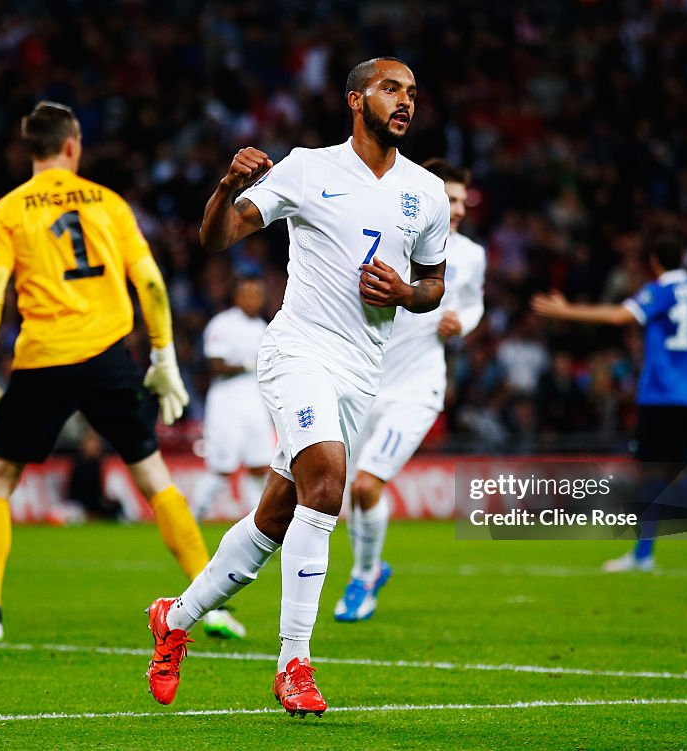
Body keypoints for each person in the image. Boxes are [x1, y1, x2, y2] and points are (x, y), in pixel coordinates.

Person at [143, 57, 449, 717]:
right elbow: (215, 237)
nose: (405, 102)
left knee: (274, 519)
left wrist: (406, 292)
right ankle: (295, 663)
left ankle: (175, 616)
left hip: (362, 372)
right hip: (298, 351)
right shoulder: (308, 168)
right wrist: (226, 188)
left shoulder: (426, 192)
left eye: (413, 93)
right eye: (391, 89)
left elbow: (434, 286)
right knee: (327, 486)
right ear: (354, 99)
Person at [0, 101, 245, 643]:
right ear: (71, 145)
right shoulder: (109, 204)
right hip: (109, 356)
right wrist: (163, 359)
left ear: (33, 148)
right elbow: (152, 285)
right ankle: (214, 605)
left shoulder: (8, 209)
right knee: (154, 479)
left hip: (42, 358)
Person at [532, 234, 687, 572]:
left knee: (668, 474)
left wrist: (566, 310)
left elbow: (621, 316)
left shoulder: (661, 291)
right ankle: (643, 555)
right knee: (657, 476)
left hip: (661, 395)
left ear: (654, 262)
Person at [334, 158, 485, 622]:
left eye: (462, 201)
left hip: (417, 389)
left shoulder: (471, 255)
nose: (457, 209)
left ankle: (362, 578)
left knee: (366, 485)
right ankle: (369, 568)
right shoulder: (392, 236)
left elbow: (475, 303)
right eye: (450, 199)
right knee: (346, 495)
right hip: (365, 383)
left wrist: (464, 324)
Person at [191, 276, 275, 520]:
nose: (253, 300)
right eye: (248, 294)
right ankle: (192, 517)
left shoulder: (263, 327)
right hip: (226, 406)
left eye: (257, 295)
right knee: (221, 471)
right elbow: (215, 365)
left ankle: (257, 526)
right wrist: (251, 364)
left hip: (256, 404)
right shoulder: (222, 324)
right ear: (237, 297)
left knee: (259, 469)